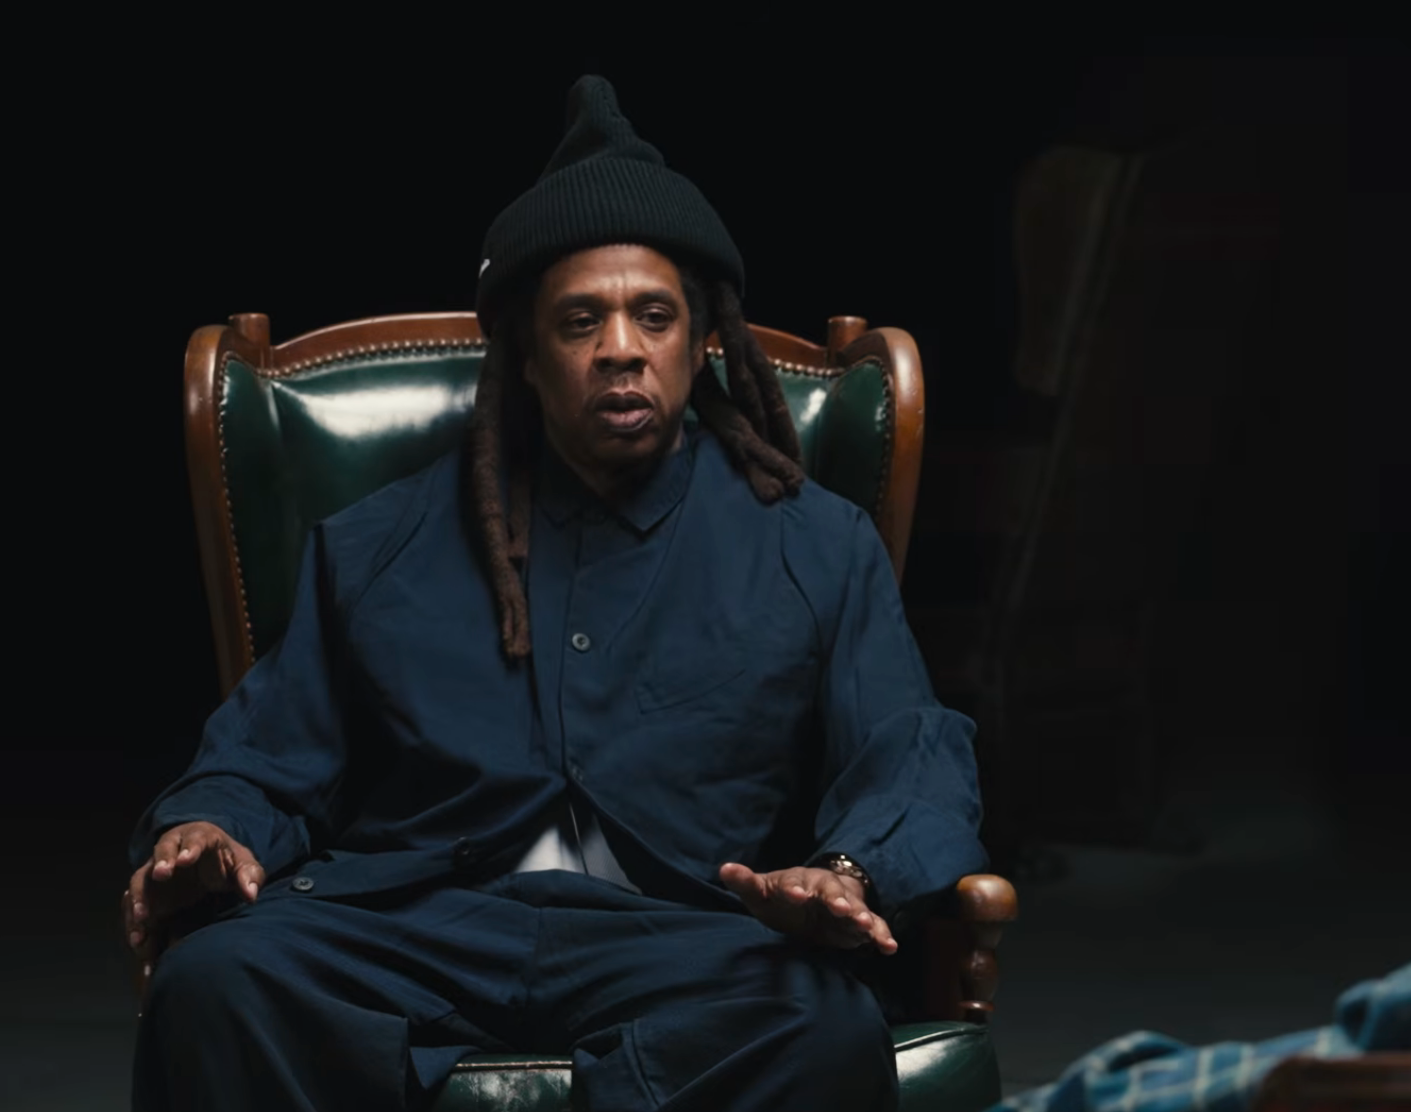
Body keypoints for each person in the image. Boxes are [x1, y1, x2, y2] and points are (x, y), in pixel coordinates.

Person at [122, 75, 987, 1112]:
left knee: (822, 1018)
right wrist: (208, 830)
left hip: (685, 935)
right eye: (581, 320)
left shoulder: (814, 543)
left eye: (654, 316)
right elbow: (267, 755)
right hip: (421, 924)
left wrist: (845, 871)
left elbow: (907, 748)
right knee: (215, 981)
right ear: (527, 356)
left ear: (701, 342)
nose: (621, 346)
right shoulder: (379, 543)